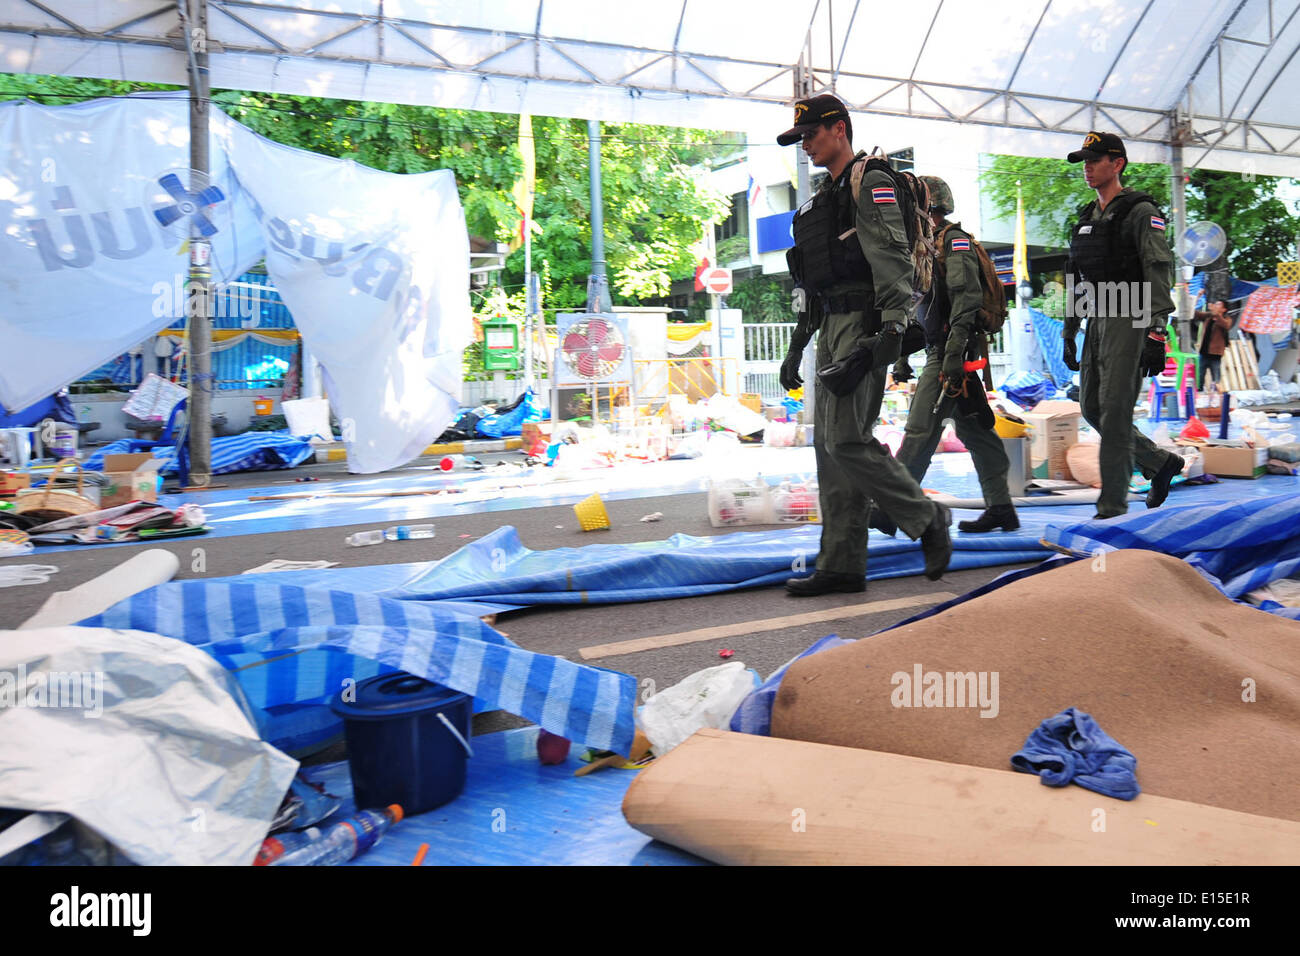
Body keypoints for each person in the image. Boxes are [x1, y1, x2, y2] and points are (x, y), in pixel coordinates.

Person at [776, 94, 952, 595]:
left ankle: (926, 517)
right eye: (800, 137)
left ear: (839, 128)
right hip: (830, 327)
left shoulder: (869, 182)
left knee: (847, 439)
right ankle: (842, 563)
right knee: (828, 449)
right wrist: (797, 345)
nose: (806, 144)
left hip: (864, 323)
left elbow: (893, 262)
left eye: (812, 133)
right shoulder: (817, 205)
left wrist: (892, 333)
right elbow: (812, 285)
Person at [884, 176, 1020, 533]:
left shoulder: (954, 243)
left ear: (928, 206)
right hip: (942, 352)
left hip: (949, 354)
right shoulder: (926, 246)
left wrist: (953, 358)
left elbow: (965, 301)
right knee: (977, 434)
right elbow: (921, 309)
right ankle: (1001, 507)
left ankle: (894, 508)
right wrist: (901, 358)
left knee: (919, 431)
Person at [1062, 131, 1184, 518]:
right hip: (1097, 317)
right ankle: (1160, 463)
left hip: (1130, 314)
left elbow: (1158, 270)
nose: (1087, 168)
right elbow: (1076, 276)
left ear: (1117, 164)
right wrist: (1069, 328)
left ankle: (1111, 506)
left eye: (1095, 160)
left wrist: (1156, 330)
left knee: (1114, 411)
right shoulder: (1087, 217)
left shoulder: (1141, 212)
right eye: (1084, 161)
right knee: (1092, 408)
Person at [1192, 299, 1233, 388]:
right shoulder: (1208, 316)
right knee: (1199, 376)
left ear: (1224, 309)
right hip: (1203, 352)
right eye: (1215, 303)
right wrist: (1196, 298)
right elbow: (1196, 313)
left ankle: (1216, 395)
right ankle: (1199, 393)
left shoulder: (1227, 319)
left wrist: (1216, 314)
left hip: (1215, 354)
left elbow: (1225, 325)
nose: (1215, 305)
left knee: (1216, 378)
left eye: (1218, 304)